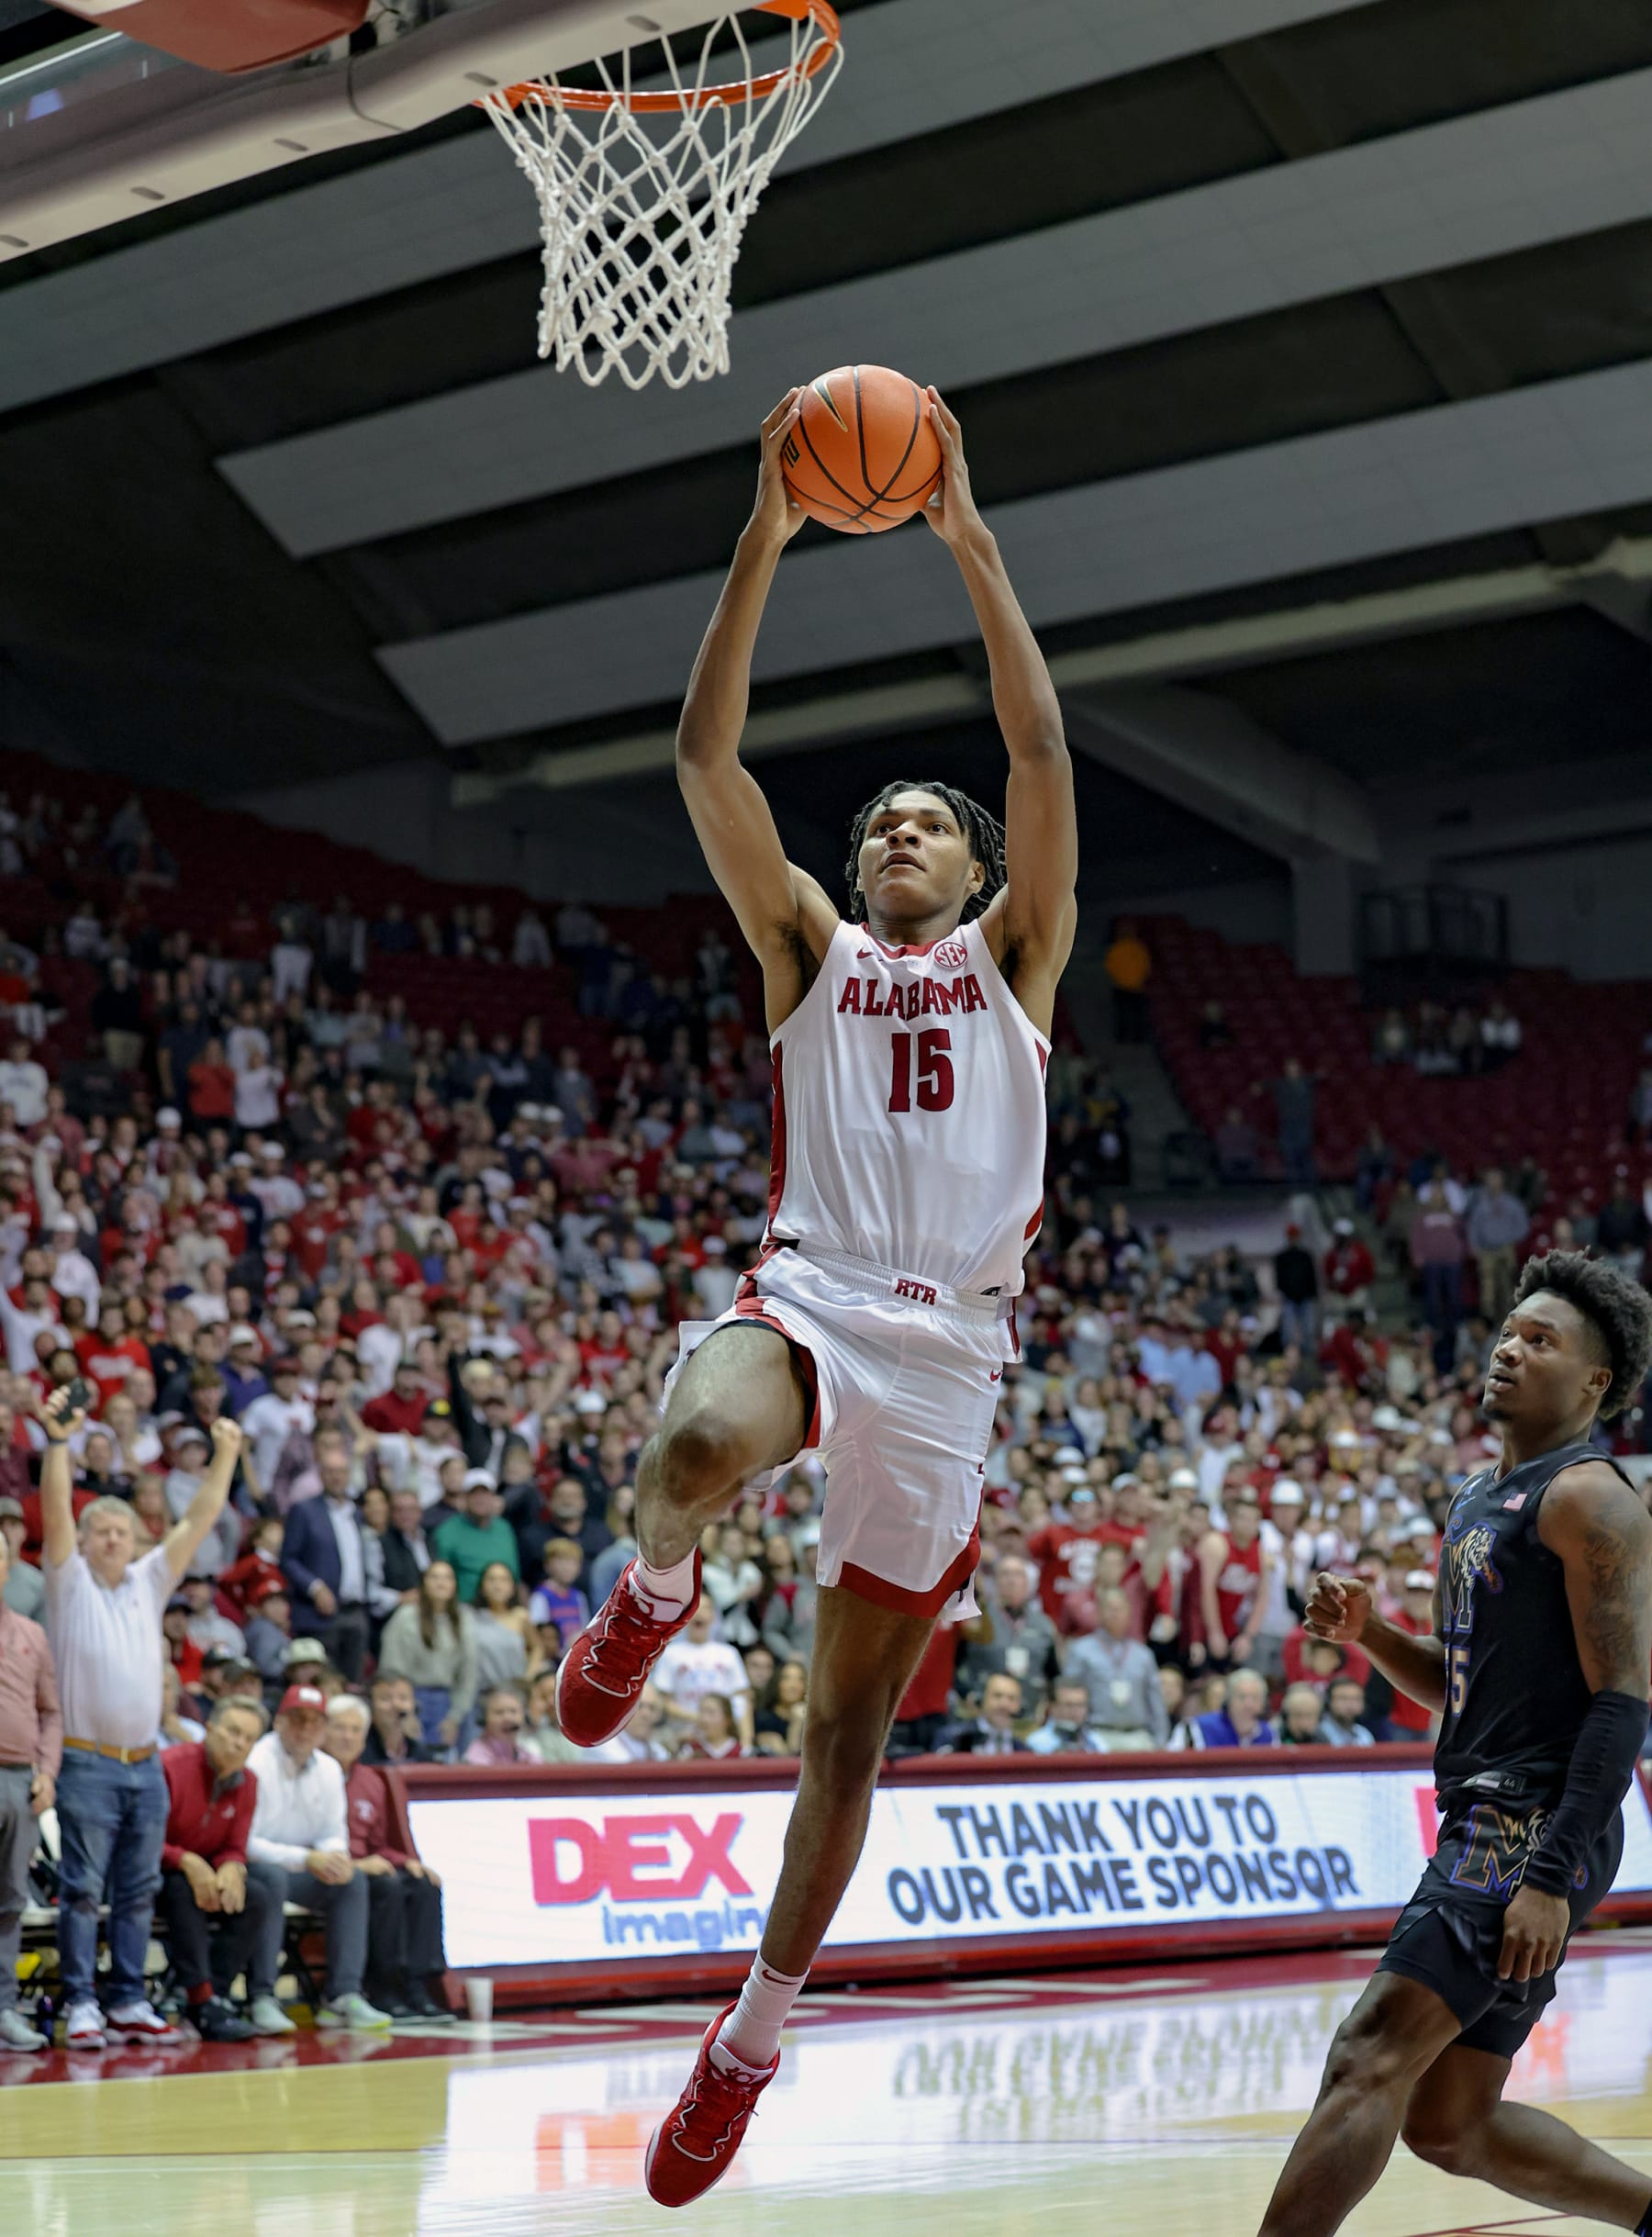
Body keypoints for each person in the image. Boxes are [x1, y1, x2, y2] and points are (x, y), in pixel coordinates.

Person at [552, 385, 1077, 2209]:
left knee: (845, 1738)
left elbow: (1041, 756)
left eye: (934, 822)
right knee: (696, 1437)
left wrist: (971, 540)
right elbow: (707, 767)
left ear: (979, 863)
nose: (910, 838)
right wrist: (767, 536)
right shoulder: (812, 951)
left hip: (954, 1367)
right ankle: (651, 1590)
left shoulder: (1019, 953)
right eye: (888, 830)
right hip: (820, 1297)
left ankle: (750, 2038)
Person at [1256, 1251, 1652, 2237]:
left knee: (1368, 2052)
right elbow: (1464, 1684)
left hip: (1533, 1824)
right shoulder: (1479, 1497)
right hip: (1486, 1812)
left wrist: (1551, 1877)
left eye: (1541, 1340)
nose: (1509, 1349)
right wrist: (1370, 1635)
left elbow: (1622, 1704)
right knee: (1449, 2120)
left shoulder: (1591, 1499)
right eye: (1510, 1330)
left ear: (1594, 1382)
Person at [43, 1392, 243, 2052]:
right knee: (80, 1892)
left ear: (135, 1541)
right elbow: (54, 1515)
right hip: (87, 1760)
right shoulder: (69, 1582)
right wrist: (58, 1443)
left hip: (144, 1761)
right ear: (86, 1536)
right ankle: (79, 2001)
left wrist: (227, 1456)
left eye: (123, 1531)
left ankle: (127, 1998)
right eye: (101, 1529)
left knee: (136, 1891)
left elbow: (202, 1516)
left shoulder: (148, 1581)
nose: (112, 1539)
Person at [244, 1683, 391, 2034]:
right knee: (273, 1879)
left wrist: (336, 1857)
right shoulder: (257, 1762)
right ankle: (261, 1996)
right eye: (298, 1719)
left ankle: (342, 1996)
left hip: (302, 1869)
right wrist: (308, 1858)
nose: (306, 1728)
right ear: (280, 1722)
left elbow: (332, 1833)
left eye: (315, 1722)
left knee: (351, 1880)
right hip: (256, 1869)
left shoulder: (327, 1769)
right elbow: (247, 1843)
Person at [322, 1694, 448, 2021]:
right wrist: (359, 1864)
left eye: (355, 1730)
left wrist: (406, 1861)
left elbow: (378, 1845)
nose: (347, 1737)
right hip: (332, 1868)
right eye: (340, 1728)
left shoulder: (370, 1781)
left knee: (423, 1884)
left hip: (368, 1865)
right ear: (324, 1731)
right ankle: (383, 1986)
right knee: (387, 1887)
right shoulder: (315, 1774)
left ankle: (417, 1985)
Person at [155, 1695, 271, 2041]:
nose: (239, 1743)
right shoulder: (170, 1766)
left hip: (200, 1873)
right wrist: (184, 1860)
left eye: (249, 1738)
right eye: (233, 1731)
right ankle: (199, 1997)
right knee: (180, 1889)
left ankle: (213, 1996)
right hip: (150, 1872)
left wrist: (232, 1868)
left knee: (256, 1896)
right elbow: (139, 1839)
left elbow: (234, 1846)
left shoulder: (247, 1782)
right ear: (210, 1729)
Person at [0, 1517, 60, 2050]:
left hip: (19, 1779)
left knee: (12, 1899)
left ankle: (3, 2009)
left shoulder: (32, 1634)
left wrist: (47, 1773)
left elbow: (51, 1713)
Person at [280, 1443, 374, 1681]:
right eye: (330, 1471)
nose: (337, 1477)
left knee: (353, 1684)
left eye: (341, 1471)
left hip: (355, 1611)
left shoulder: (358, 1514)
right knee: (322, 1683)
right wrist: (315, 1587)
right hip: (318, 1615)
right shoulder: (304, 1511)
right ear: (321, 1475)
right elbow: (288, 1559)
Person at [376, 1563, 478, 1755]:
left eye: (447, 1578)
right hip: (411, 1698)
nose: (441, 1583)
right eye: (435, 1577)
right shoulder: (405, 1617)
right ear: (423, 1583)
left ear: (455, 1585)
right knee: (412, 1758)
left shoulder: (465, 1619)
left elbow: (468, 1674)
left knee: (447, 1762)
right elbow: (392, 1668)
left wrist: (455, 1718)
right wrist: (406, 1713)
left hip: (448, 1701)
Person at [1063, 1588, 1170, 1749]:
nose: (1115, 1614)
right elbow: (1068, 1696)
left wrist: (1161, 1741)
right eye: (1110, 1609)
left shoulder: (1143, 1655)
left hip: (1138, 1736)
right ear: (1098, 1613)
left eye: (1120, 1609)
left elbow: (1155, 1700)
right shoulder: (1081, 1650)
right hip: (1096, 1736)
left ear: (1129, 1614)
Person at [1173, 1666, 1275, 1750]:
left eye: (1255, 1697)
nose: (1248, 1704)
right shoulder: (1196, 1727)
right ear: (1228, 1700)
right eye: (1242, 1697)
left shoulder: (1270, 1734)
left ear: (1263, 1704)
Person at [1025, 1676, 1106, 1754]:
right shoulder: (1037, 1743)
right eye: (1069, 1705)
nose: (1075, 1711)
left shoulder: (1097, 1742)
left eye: (1080, 1705)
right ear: (1053, 1707)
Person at [1102, 918, 1151, 1043]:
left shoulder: (1139, 948)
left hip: (1137, 988)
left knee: (1138, 1015)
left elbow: (1145, 965)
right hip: (1121, 988)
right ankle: (1123, 1037)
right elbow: (1110, 967)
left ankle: (1138, 1038)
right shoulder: (1116, 949)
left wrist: (1139, 980)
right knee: (1123, 1015)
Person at [463, 1683, 534, 1765]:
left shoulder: (527, 1752)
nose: (507, 1718)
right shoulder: (475, 1757)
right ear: (484, 1719)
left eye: (513, 1711)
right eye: (499, 1712)